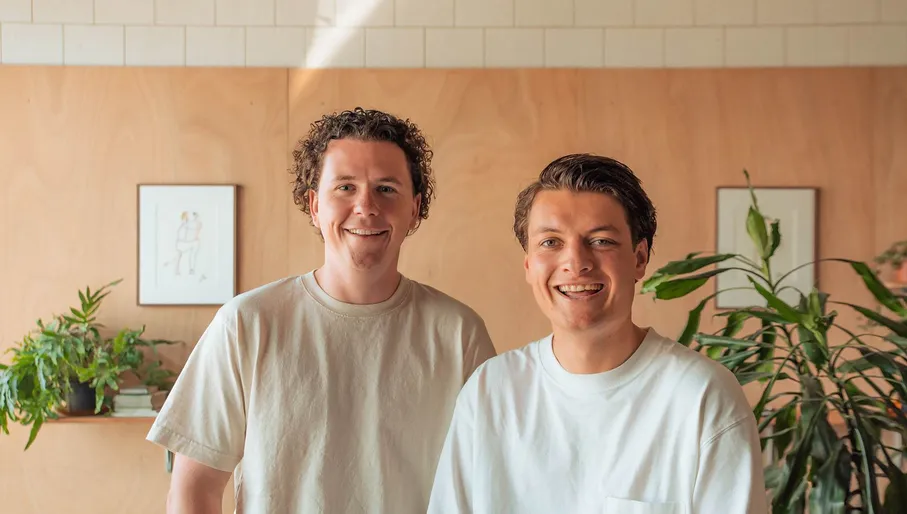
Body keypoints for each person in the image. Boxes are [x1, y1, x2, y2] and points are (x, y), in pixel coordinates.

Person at [147, 107, 497, 513]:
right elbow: (196, 489)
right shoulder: (247, 324)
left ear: (415, 208)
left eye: (387, 188)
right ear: (314, 205)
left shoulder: (459, 333)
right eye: (345, 187)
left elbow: (487, 483)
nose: (366, 206)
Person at [427, 154, 767, 513]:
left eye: (601, 241)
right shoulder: (489, 391)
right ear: (528, 264)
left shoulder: (702, 396)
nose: (576, 262)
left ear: (639, 258)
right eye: (550, 242)